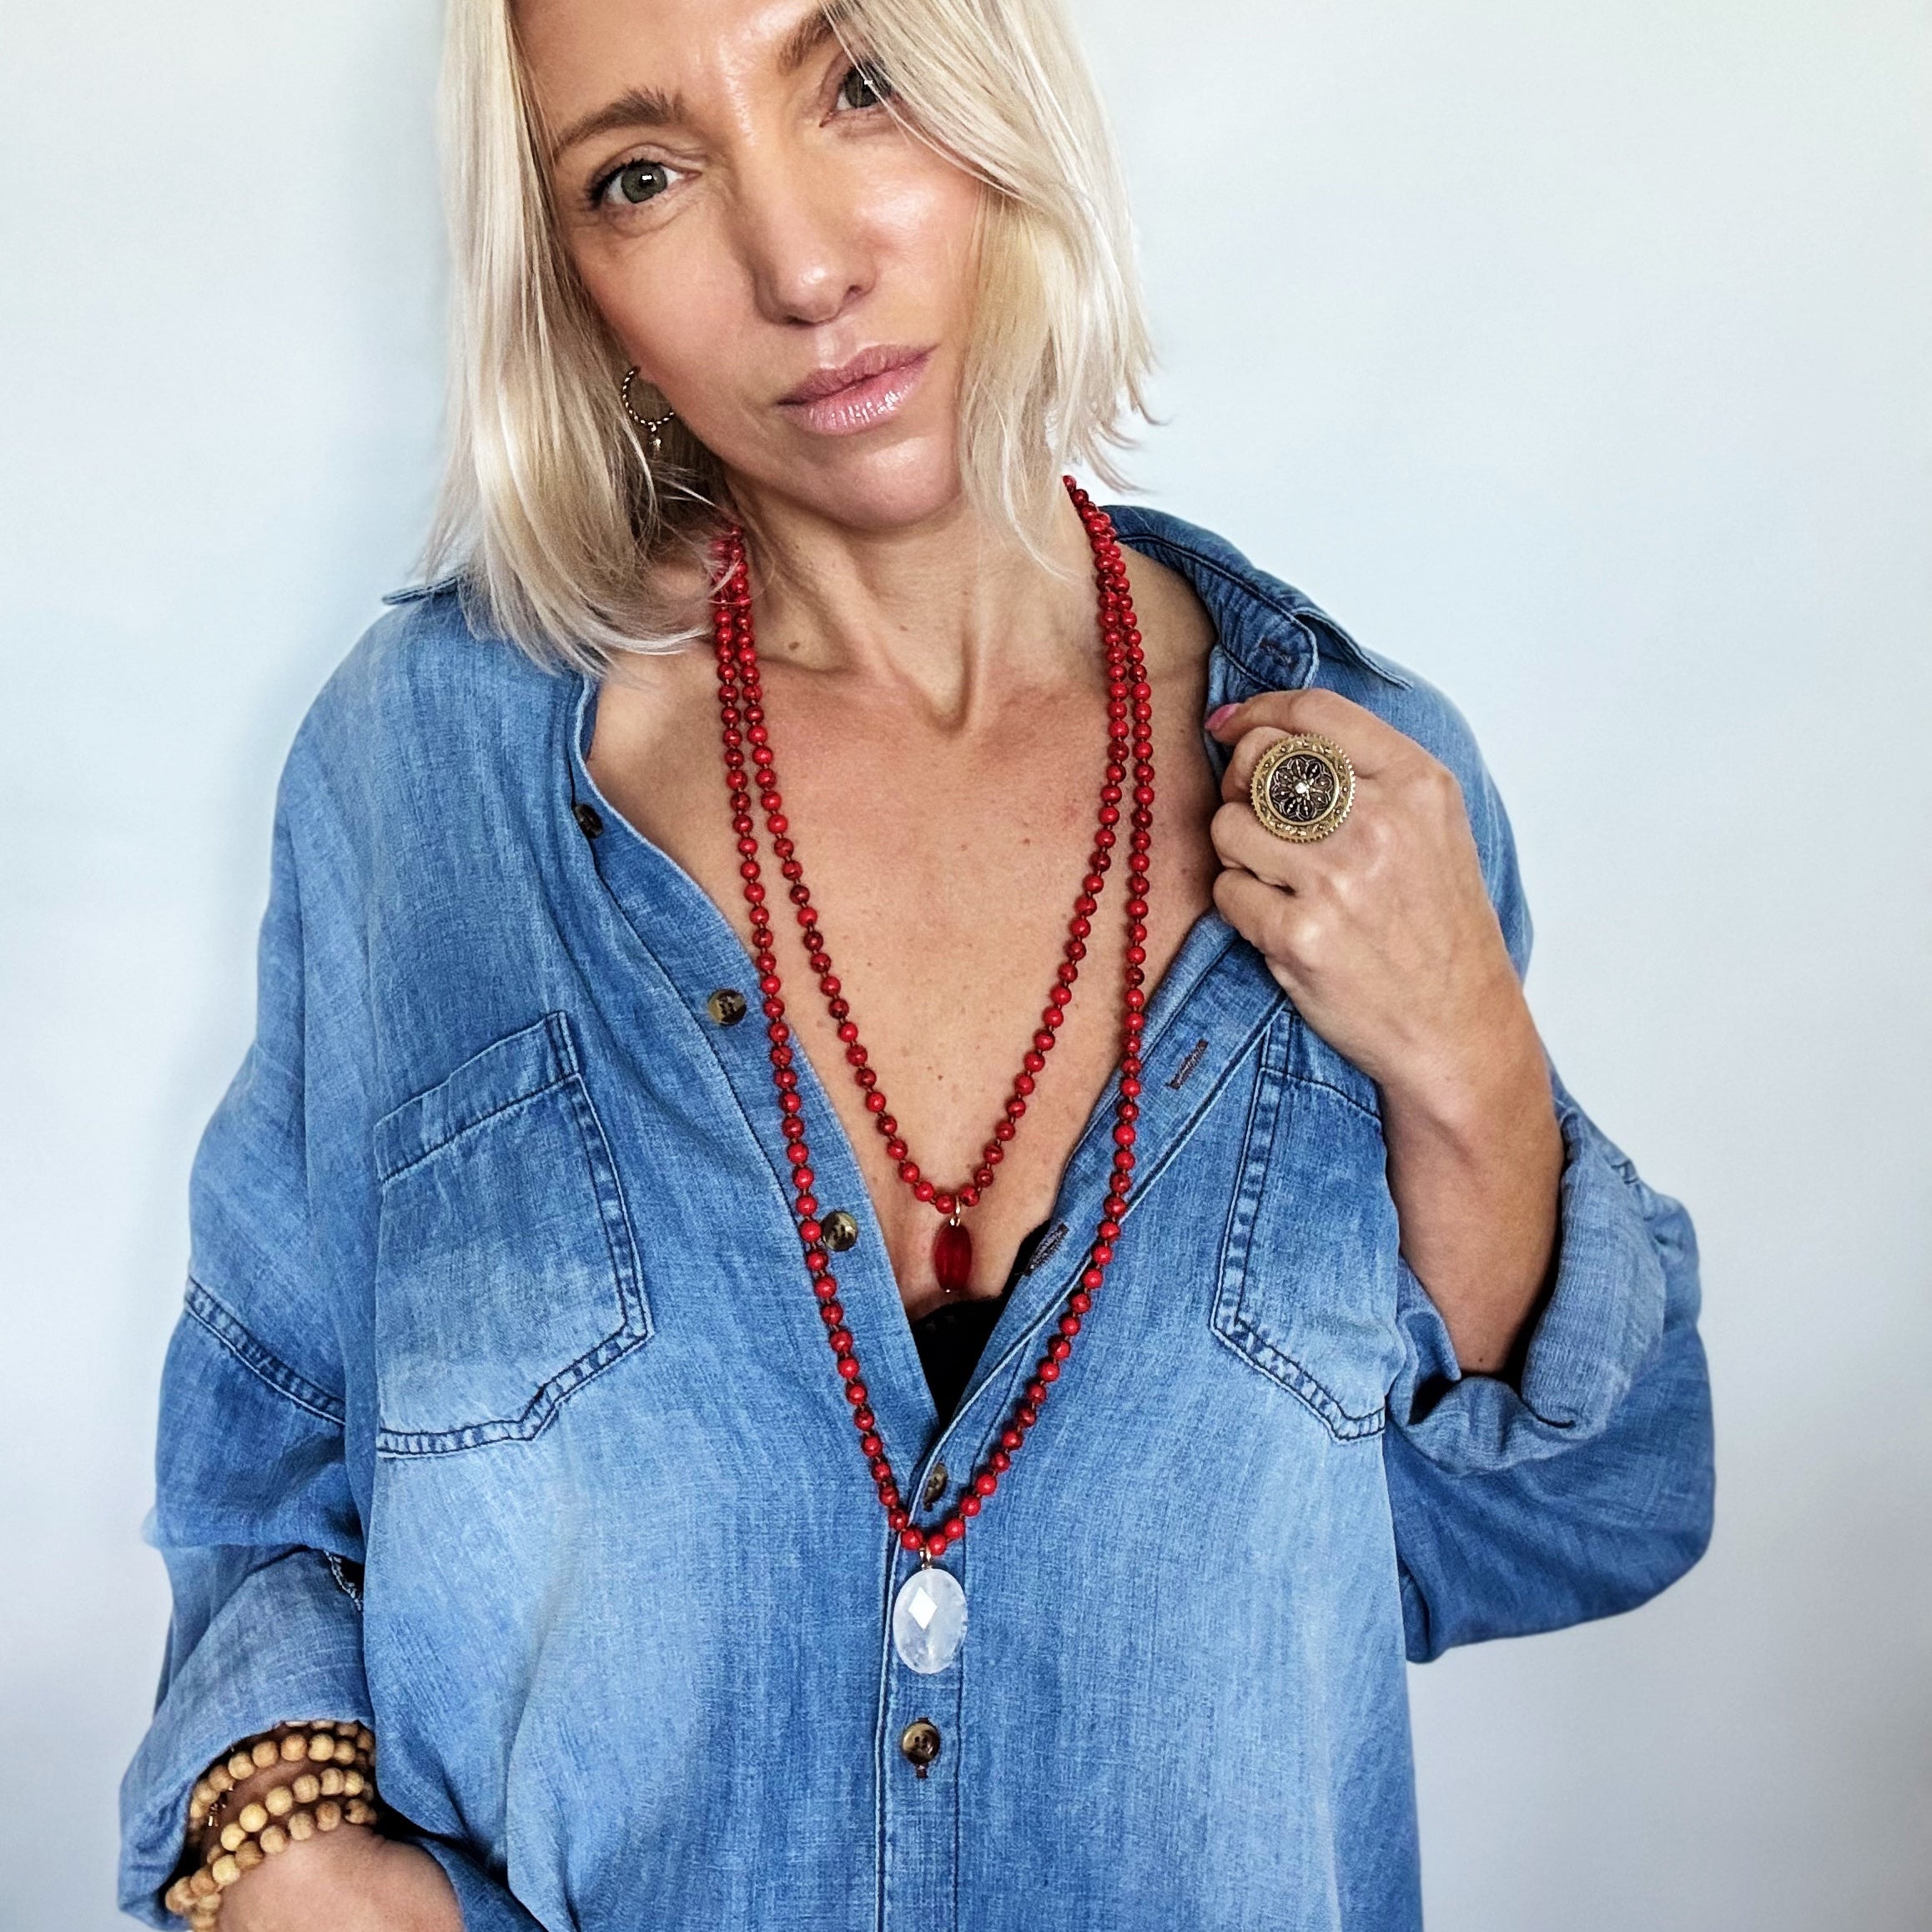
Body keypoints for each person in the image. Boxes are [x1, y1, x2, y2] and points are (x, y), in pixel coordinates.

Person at [118, 0, 1714, 1925]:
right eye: (643, 175)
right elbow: (263, 1478)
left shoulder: (1354, 787)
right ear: (575, 281)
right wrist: (274, 1837)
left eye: (857, 84)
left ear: (993, 92)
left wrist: (1467, 1062)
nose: (799, 266)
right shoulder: (419, 776)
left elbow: (1558, 1527)